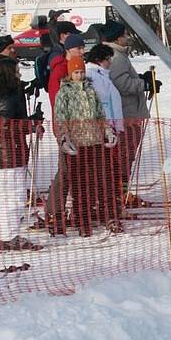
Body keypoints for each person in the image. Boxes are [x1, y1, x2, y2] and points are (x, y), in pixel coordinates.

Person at [0, 57, 43, 254]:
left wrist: (30, 121)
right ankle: (7, 236)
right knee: (14, 196)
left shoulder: (3, 94)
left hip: (4, 153)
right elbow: (8, 127)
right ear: (8, 73)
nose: (19, 73)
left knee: (5, 196)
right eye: (16, 71)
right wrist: (31, 125)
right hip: (9, 154)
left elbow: (12, 123)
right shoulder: (7, 97)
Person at [54, 56, 122, 236]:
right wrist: (64, 138)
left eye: (82, 72)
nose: (79, 75)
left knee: (103, 180)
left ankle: (109, 216)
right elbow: (61, 118)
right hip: (78, 145)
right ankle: (82, 220)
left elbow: (100, 115)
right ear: (70, 73)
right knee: (80, 184)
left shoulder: (91, 91)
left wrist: (107, 131)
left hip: (95, 141)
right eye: (76, 72)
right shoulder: (64, 93)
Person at [100, 20, 158, 198]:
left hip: (129, 112)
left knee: (126, 156)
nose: (127, 37)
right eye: (125, 35)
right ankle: (120, 193)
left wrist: (141, 78)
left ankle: (121, 192)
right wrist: (144, 83)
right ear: (117, 38)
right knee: (125, 156)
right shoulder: (116, 56)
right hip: (127, 114)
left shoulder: (118, 54)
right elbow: (120, 83)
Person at [44, 33, 87, 235]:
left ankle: (77, 209)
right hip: (65, 127)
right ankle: (53, 210)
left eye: (83, 47)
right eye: (79, 48)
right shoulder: (60, 70)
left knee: (78, 170)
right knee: (66, 169)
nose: (82, 51)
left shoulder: (79, 67)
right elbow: (58, 101)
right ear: (69, 49)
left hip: (81, 126)